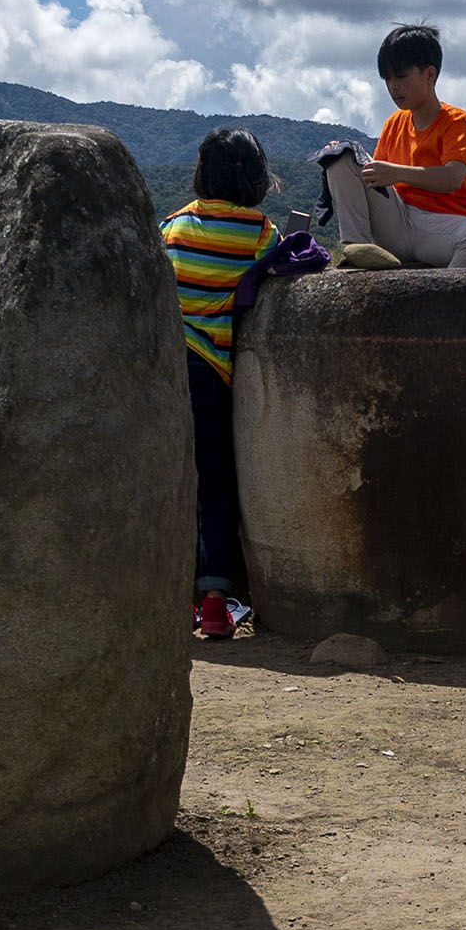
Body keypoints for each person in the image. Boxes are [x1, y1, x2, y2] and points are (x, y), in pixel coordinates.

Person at [164, 128, 274, 640]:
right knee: (214, 483)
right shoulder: (258, 232)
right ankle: (213, 603)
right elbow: (294, 259)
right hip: (210, 372)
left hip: (162, 370)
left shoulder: (173, 226)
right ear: (255, 178)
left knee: (171, 484)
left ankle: (166, 599)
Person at [316, 24, 466, 267]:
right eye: (388, 77)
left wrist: (395, 173)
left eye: (401, 76)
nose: (393, 86)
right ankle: (356, 249)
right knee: (341, 155)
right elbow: (376, 180)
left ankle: (446, 300)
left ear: (429, 74)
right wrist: (348, 160)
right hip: (397, 222)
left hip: (445, 227)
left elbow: (452, 178)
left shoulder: (458, 123)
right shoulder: (394, 123)